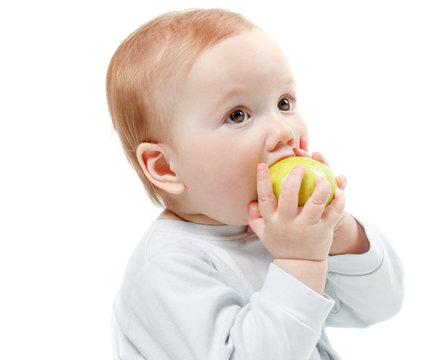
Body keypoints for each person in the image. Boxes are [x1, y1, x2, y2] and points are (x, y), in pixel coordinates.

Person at [107, 8, 404, 360]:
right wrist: (299, 261)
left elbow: (378, 305)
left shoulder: (277, 231)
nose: (284, 131)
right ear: (166, 167)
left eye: (284, 102)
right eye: (237, 115)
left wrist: (340, 235)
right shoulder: (166, 269)